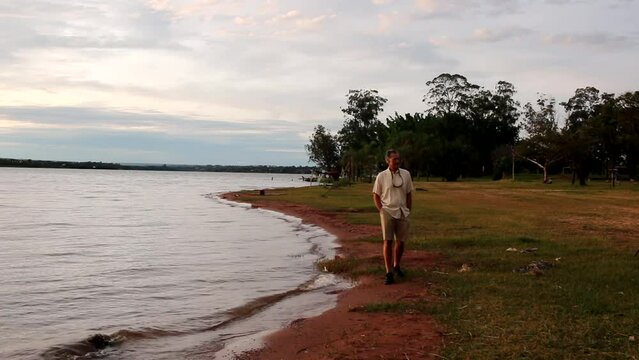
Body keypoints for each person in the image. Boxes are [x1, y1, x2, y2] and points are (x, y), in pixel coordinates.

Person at [372, 149, 413, 285]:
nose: (397, 161)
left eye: (398, 159)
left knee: (401, 242)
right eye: (394, 159)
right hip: (388, 211)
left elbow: (408, 194)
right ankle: (388, 272)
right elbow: (376, 195)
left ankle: (397, 265)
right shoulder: (381, 176)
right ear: (387, 160)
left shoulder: (406, 174)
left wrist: (408, 210)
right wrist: (381, 210)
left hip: (402, 211)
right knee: (388, 241)